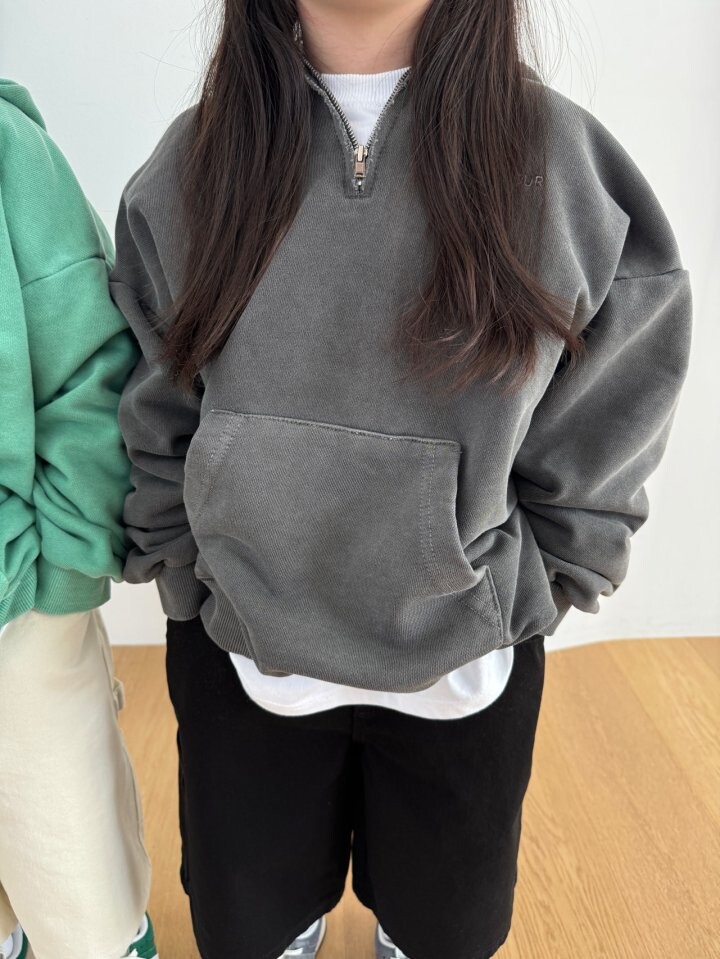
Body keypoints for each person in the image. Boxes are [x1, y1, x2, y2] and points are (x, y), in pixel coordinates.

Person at [111, 1, 693, 957]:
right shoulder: (189, 167)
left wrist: (543, 581)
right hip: (244, 654)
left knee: (444, 929)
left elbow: (614, 395)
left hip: (467, 666)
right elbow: (154, 404)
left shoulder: (566, 169)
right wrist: (184, 572)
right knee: (250, 922)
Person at [0, 80, 158, 959]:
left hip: (18, 614)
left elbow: (91, 373)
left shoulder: (8, 154)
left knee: (77, 882)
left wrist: (61, 579)